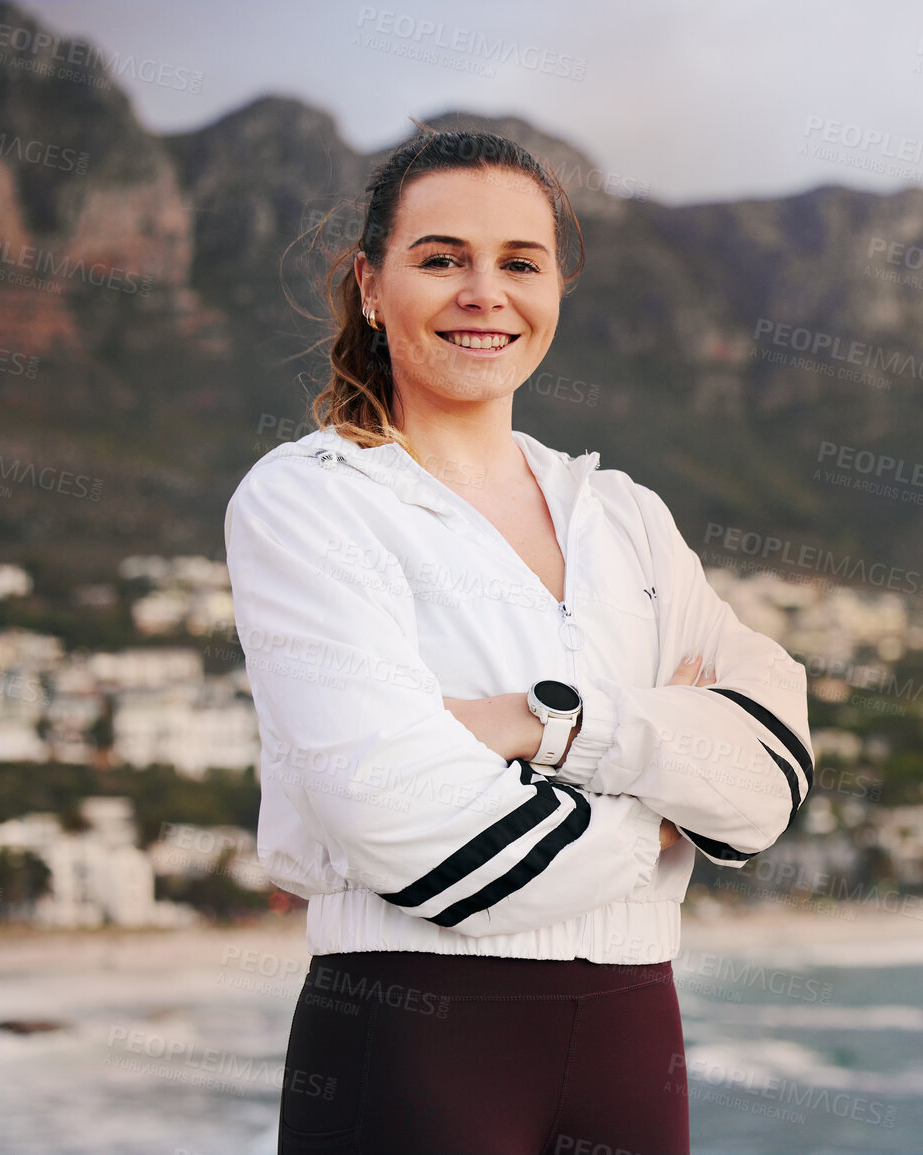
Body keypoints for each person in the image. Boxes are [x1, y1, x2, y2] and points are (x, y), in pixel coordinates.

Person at [224, 128, 814, 1155]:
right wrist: (662, 808)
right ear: (370, 284)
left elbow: (768, 781)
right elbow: (411, 831)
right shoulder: (310, 502)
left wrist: (541, 731)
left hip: (637, 1039)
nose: (483, 293)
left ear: (557, 290)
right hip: (414, 1038)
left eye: (520, 264)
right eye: (441, 257)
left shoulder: (625, 514)